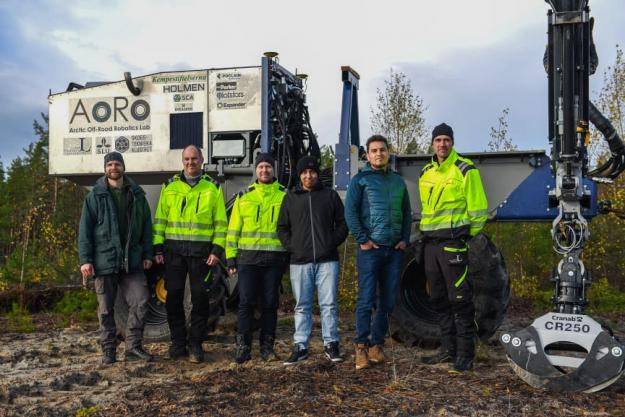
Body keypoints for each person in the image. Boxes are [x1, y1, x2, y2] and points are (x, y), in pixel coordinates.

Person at [418, 123, 488, 372]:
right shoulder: (425, 171)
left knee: (459, 300)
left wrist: (464, 236)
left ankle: (465, 355)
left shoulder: (465, 169)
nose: (442, 144)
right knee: (437, 299)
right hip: (430, 246)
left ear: (452, 142)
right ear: (433, 143)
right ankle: (447, 351)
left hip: (452, 245)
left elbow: (479, 210)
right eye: (438, 140)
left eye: (446, 139)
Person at [152, 145, 227, 363]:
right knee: (173, 298)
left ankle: (195, 344)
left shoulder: (213, 188)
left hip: (201, 254)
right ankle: (177, 343)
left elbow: (220, 223)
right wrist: (157, 248)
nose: (190, 162)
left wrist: (217, 250)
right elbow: (160, 220)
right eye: (186, 159)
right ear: (182, 160)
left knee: (200, 299)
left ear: (202, 160)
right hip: (174, 252)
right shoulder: (170, 186)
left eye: (194, 158)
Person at [78, 151, 154, 365]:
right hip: (104, 261)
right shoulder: (95, 196)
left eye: (117, 164)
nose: (113, 167)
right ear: (105, 169)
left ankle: (133, 346)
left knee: (141, 300)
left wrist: (148, 253)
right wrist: (85, 259)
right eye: (109, 164)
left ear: (123, 167)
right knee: (106, 309)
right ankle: (109, 350)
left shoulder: (137, 194)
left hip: (132, 261)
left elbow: (147, 227)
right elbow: (85, 230)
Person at [344, 135, 412, 370]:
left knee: (388, 301)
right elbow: (350, 213)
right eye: (374, 151)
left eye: (382, 150)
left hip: (393, 251)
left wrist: (404, 239)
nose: (379, 154)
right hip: (370, 251)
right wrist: (363, 240)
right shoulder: (360, 181)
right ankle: (361, 347)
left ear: (388, 152)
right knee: (365, 299)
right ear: (367, 155)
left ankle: (376, 346)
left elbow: (406, 212)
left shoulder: (397, 181)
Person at [277, 156, 349, 365]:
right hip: (300, 262)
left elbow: (343, 224)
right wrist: (294, 247)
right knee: (302, 306)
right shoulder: (290, 197)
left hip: (327, 261)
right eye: (304, 172)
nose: (309, 176)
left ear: (317, 174)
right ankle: (301, 346)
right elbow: (282, 228)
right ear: (299, 175)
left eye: (312, 172)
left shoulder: (330, 196)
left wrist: (330, 243)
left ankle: (331, 343)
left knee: (328, 305)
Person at [227, 153, 288, 364]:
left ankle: (267, 347)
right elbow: (233, 228)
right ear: (256, 170)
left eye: (268, 167)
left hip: (275, 259)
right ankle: (243, 348)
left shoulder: (284, 196)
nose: (264, 171)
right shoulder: (244, 196)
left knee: (270, 304)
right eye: (261, 167)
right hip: (248, 259)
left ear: (274, 170)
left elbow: (290, 229)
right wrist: (230, 257)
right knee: (246, 303)